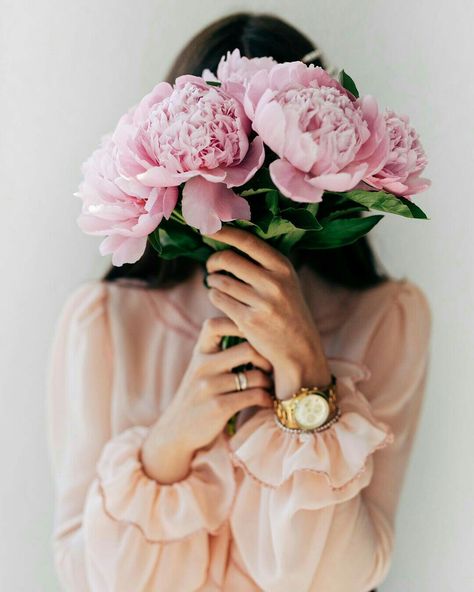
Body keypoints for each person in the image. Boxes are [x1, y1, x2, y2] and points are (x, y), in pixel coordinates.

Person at [45, 12, 432, 592]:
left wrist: (305, 372)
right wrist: (172, 439)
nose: (246, 203)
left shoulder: (388, 320)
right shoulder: (102, 324)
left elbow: (341, 577)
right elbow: (84, 576)